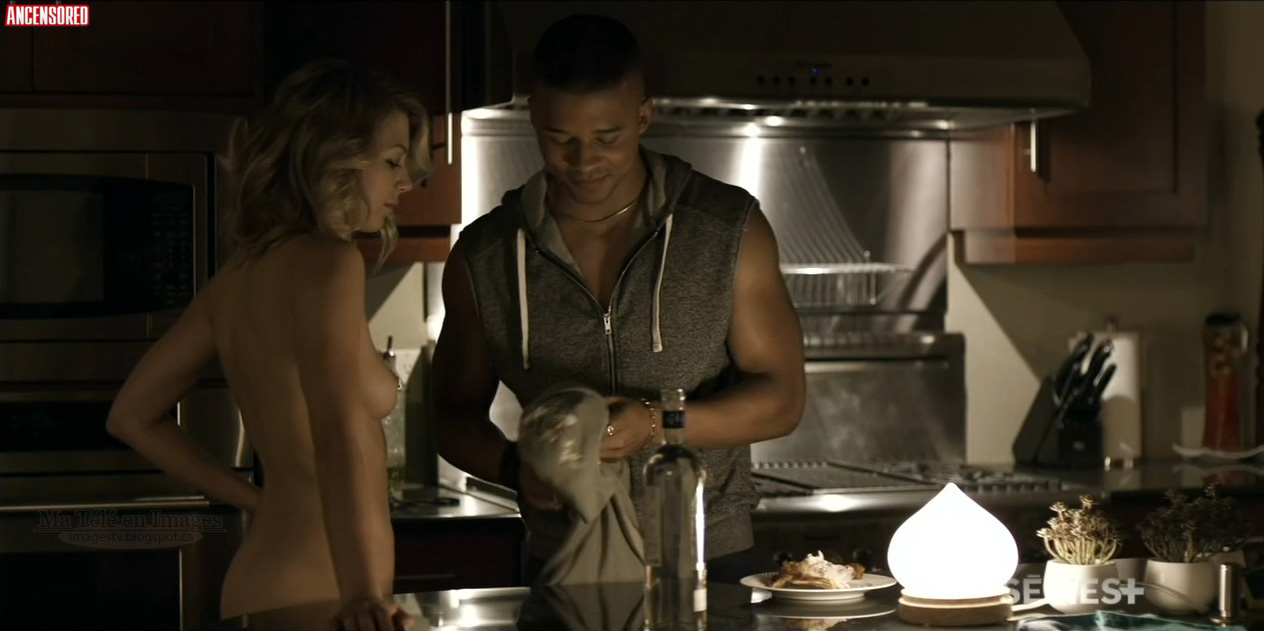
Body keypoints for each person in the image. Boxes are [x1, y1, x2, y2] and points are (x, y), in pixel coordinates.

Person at [431, 14, 806, 584]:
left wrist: (656, 424)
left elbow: (783, 398)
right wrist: (514, 468)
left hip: (707, 559)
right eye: (561, 139)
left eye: (606, 138)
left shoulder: (726, 228)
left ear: (643, 117)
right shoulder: (485, 256)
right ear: (533, 118)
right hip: (563, 562)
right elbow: (452, 418)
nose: (583, 163)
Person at [106, 58, 431, 631]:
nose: (405, 182)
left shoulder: (237, 277)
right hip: (327, 592)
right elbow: (338, 433)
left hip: (264, 579)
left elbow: (131, 416)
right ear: (333, 158)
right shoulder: (332, 264)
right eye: (392, 161)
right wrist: (364, 595)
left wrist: (260, 501)